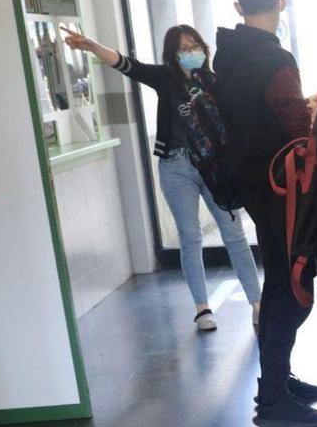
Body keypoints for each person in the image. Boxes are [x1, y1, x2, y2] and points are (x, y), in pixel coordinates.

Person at [61, 25, 262, 332]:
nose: (191, 51)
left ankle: (258, 303)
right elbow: (126, 64)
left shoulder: (216, 82)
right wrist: (91, 46)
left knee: (234, 235)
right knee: (190, 236)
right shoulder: (165, 79)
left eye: (195, 45)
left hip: (215, 169)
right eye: (184, 47)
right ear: (173, 55)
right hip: (175, 165)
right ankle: (202, 307)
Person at [211, 0, 317, 427]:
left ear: (239, 7)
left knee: (281, 282)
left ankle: (277, 381)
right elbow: (297, 129)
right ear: (281, 3)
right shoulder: (274, 59)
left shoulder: (228, 54)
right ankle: (273, 401)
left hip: (253, 183)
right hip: (284, 190)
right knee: (292, 291)